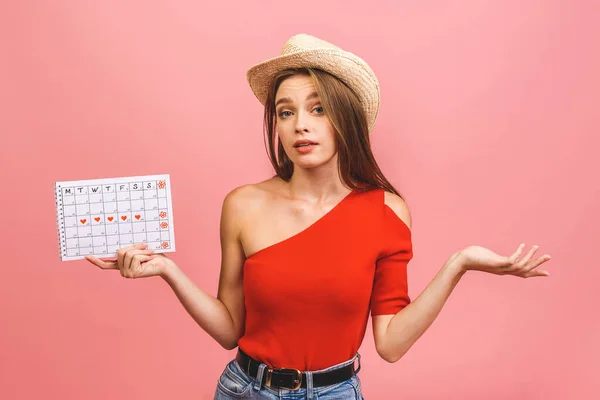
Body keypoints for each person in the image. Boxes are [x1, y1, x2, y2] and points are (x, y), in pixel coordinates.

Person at [85, 33, 552, 400]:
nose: (299, 125)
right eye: (285, 112)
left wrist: (460, 263)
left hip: (336, 393)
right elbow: (230, 329)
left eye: (318, 108)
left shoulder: (387, 212)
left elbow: (389, 344)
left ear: (345, 119)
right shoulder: (242, 204)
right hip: (245, 390)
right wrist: (167, 269)